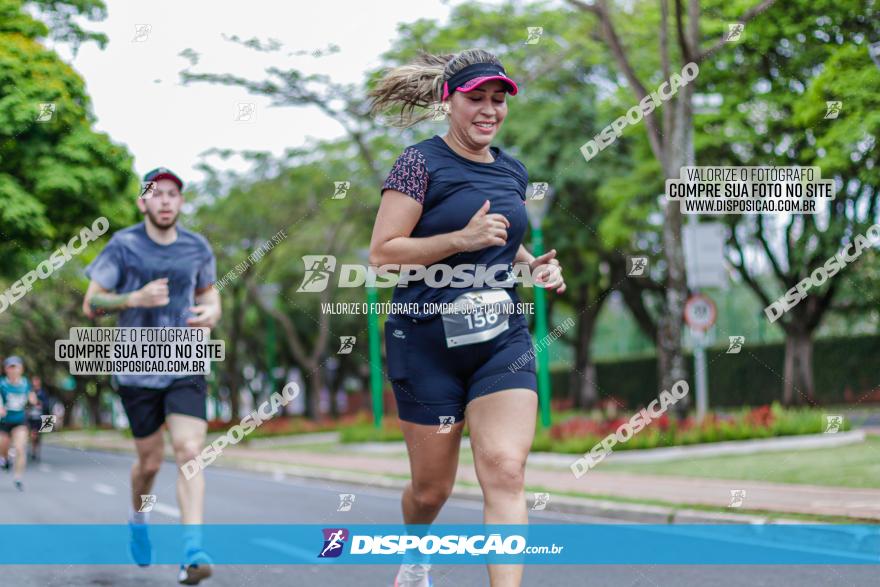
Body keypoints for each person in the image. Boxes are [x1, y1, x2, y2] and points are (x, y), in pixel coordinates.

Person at [368, 49, 566, 587]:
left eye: (498, 100)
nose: (488, 110)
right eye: (475, 98)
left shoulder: (511, 169)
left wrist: (533, 267)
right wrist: (460, 240)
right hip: (425, 343)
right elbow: (383, 254)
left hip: (500, 339)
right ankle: (415, 554)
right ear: (446, 100)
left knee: (505, 469)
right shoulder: (418, 163)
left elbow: (502, 243)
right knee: (432, 490)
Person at [82, 167, 221, 585]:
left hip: (185, 361)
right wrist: (133, 298)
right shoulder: (123, 246)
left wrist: (213, 312)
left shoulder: (198, 247)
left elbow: (209, 293)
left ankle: (192, 550)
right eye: (156, 194)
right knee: (149, 462)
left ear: (180, 201)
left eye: (173, 194)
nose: (165, 200)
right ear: (143, 201)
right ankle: (138, 520)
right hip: (137, 367)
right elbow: (92, 305)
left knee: (190, 449)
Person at [0, 356, 38, 491]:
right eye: (10, 367)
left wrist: (33, 400)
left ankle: (18, 477)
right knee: (2, 446)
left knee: (20, 448)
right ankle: (4, 459)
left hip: (20, 421)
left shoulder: (26, 384)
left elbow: (32, 397)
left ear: (21, 369)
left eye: (16, 367)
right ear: (6, 369)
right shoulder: (2, 384)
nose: (13, 370)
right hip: (3, 422)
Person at [26, 375, 52, 461]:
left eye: (37, 381)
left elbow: (46, 405)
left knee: (38, 436)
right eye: (34, 381)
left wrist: (39, 403)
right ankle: (33, 450)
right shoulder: (29, 392)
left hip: (40, 417)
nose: (35, 383)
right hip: (31, 417)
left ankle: (36, 451)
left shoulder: (43, 392)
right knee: (33, 434)